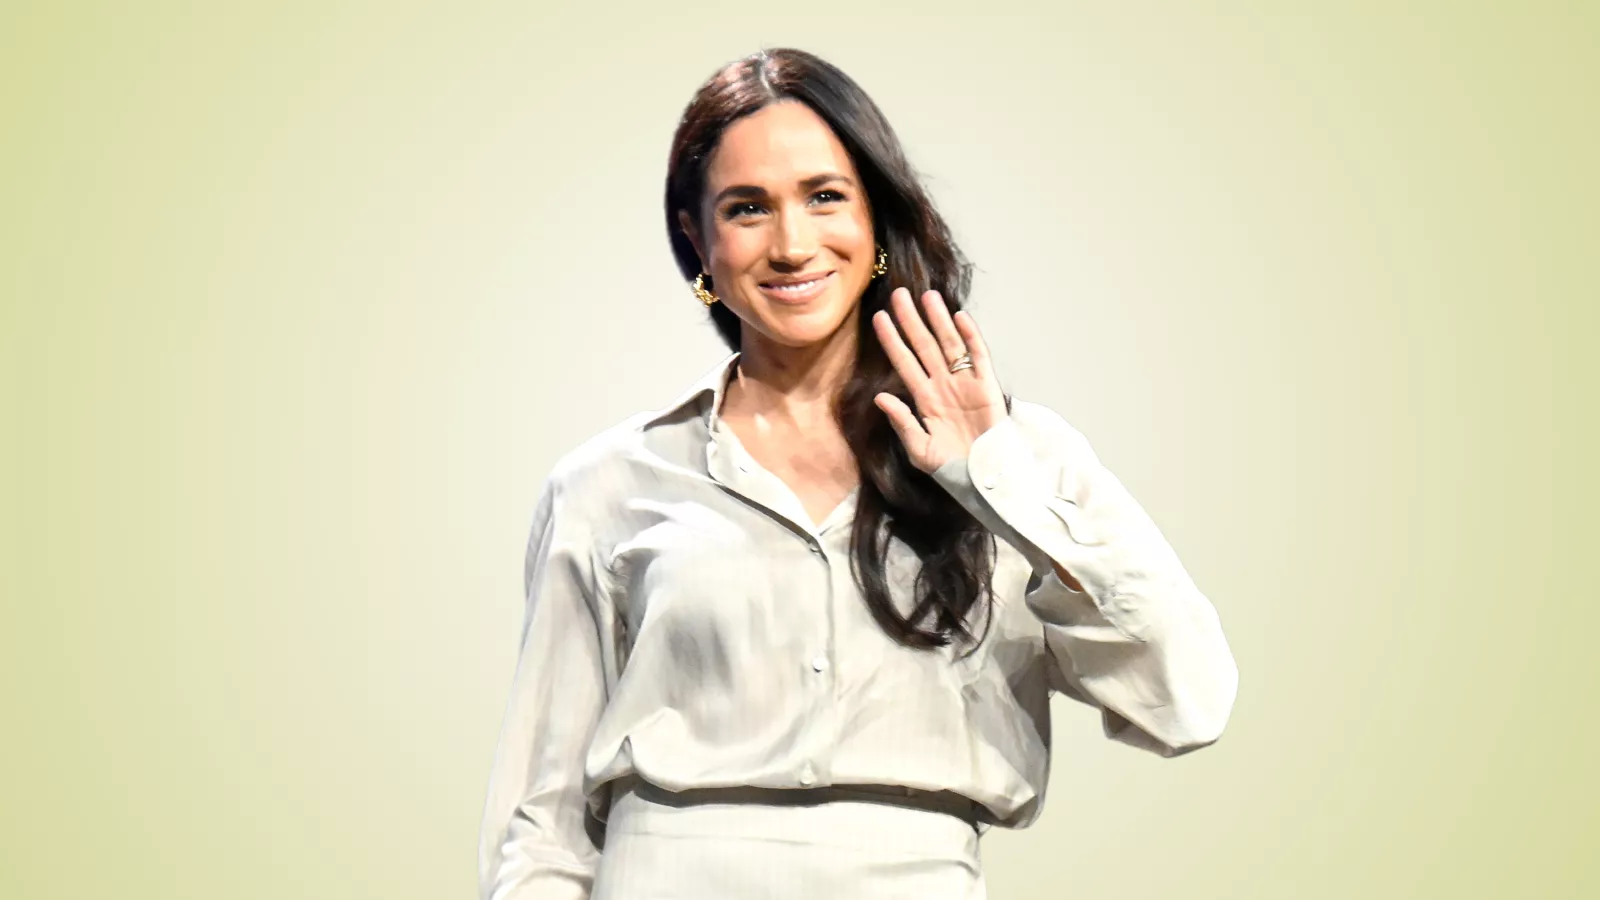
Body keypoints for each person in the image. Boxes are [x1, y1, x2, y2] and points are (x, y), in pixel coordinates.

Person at [478, 47, 1238, 900]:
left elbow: (1188, 701)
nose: (792, 244)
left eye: (825, 196)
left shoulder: (1023, 456)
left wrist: (992, 481)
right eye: (747, 208)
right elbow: (540, 826)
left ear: (877, 214)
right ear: (698, 240)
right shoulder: (609, 482)